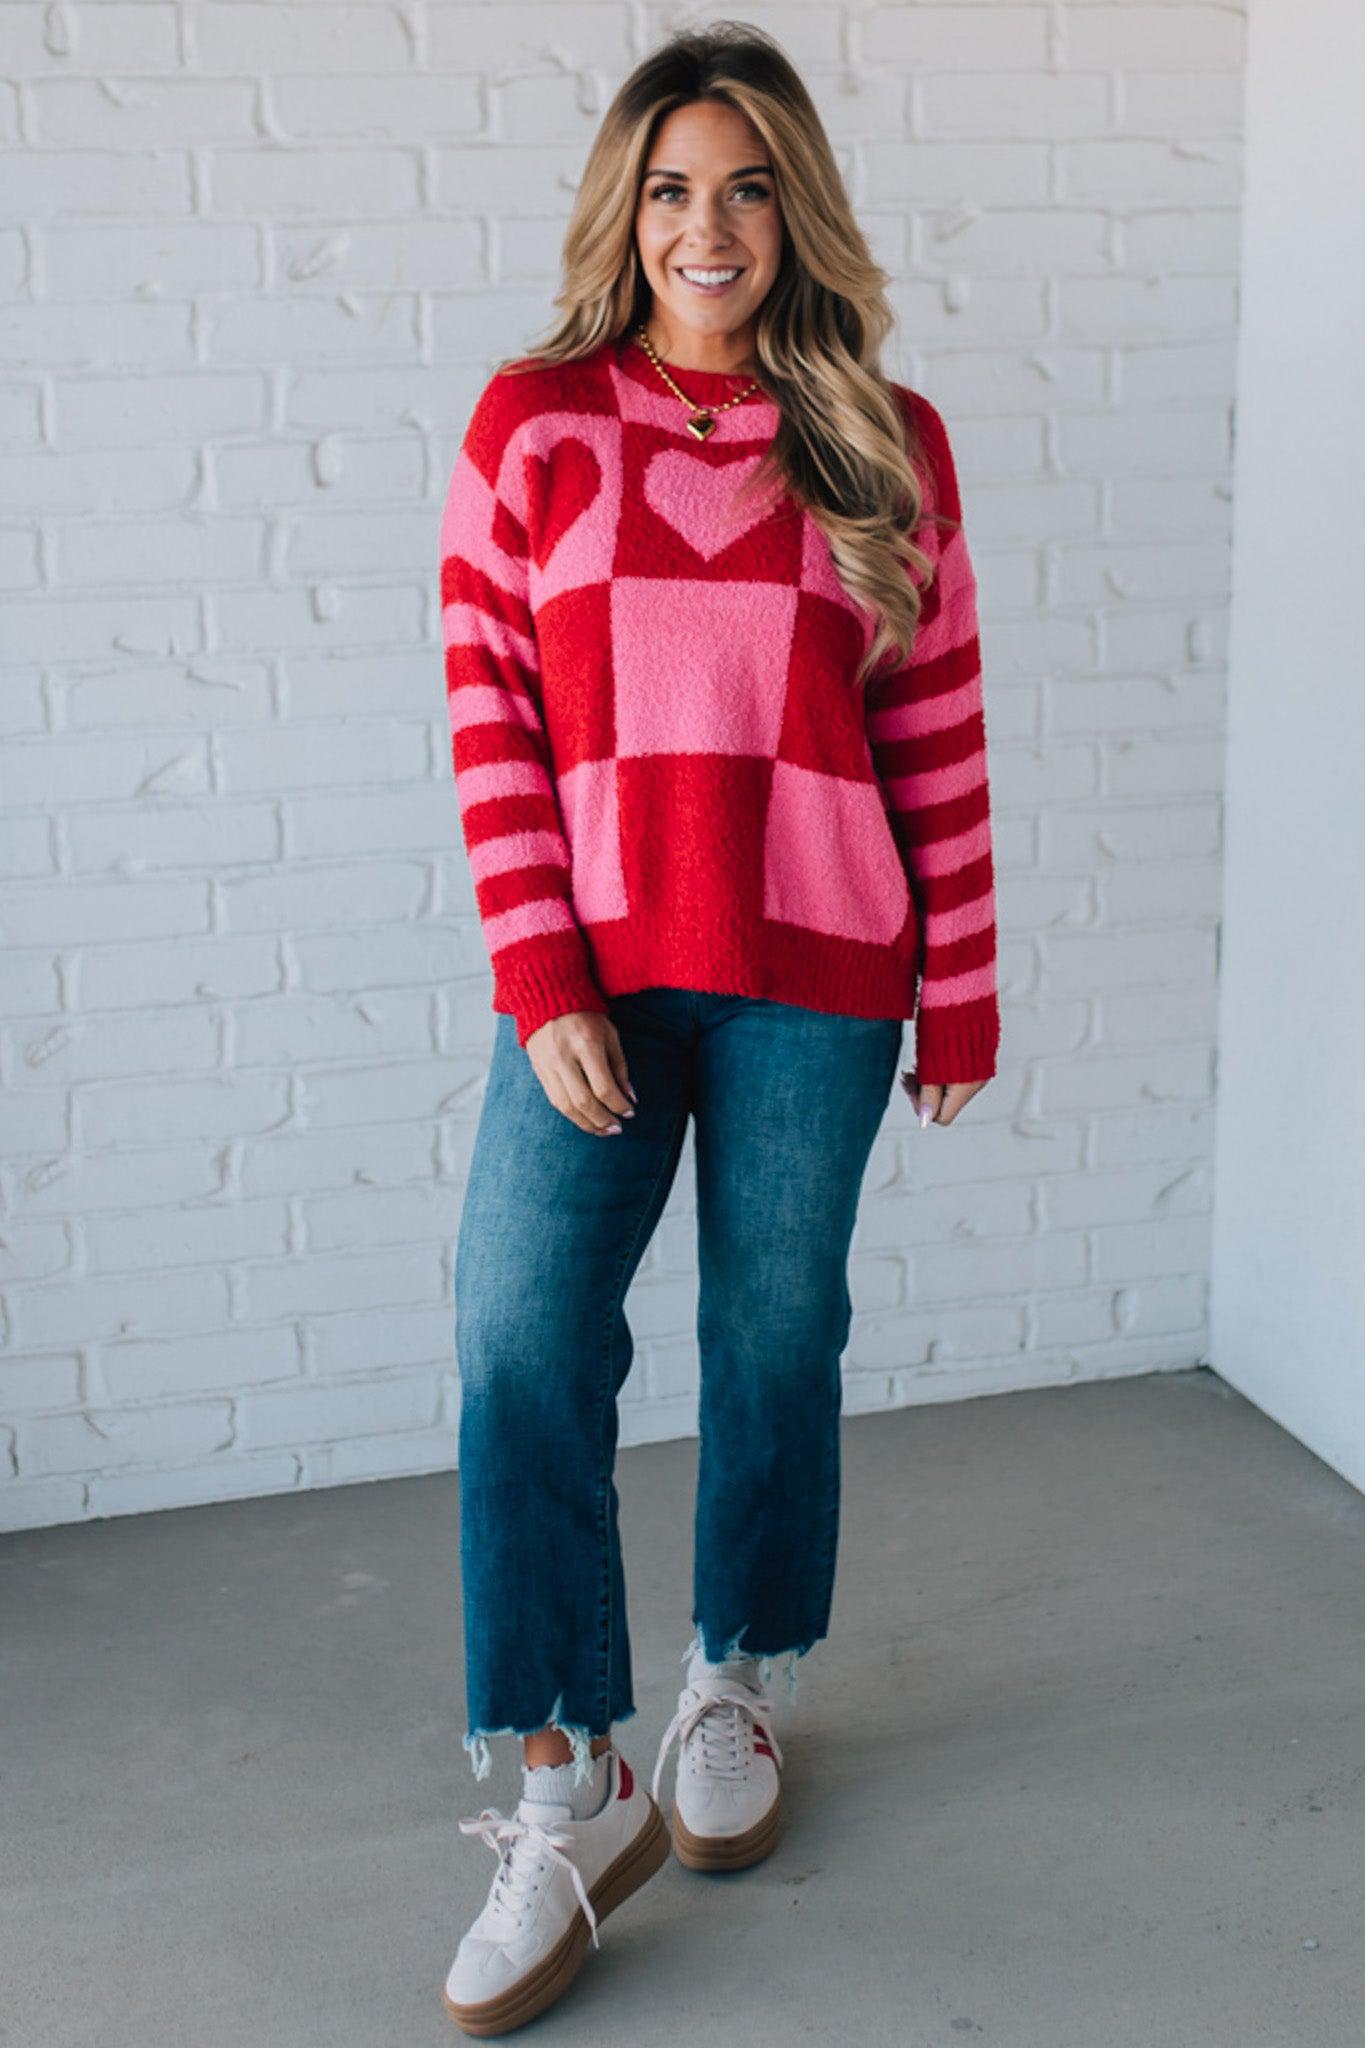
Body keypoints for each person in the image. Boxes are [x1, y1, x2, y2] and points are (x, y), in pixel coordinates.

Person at [435, 21, 1000, 2037]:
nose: (706, 224)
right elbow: (490, 710)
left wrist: (968, 980)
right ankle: (562, 1775)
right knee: (516, 1329)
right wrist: (537, 971)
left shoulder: (882, 438)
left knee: (775, 1330)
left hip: (822, 968)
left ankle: (734, 1676)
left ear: (794, 209)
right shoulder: (533, 425)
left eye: (745, 184)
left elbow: (930, 725)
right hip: (593, 971)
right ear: (624, 208)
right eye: (669, 186)